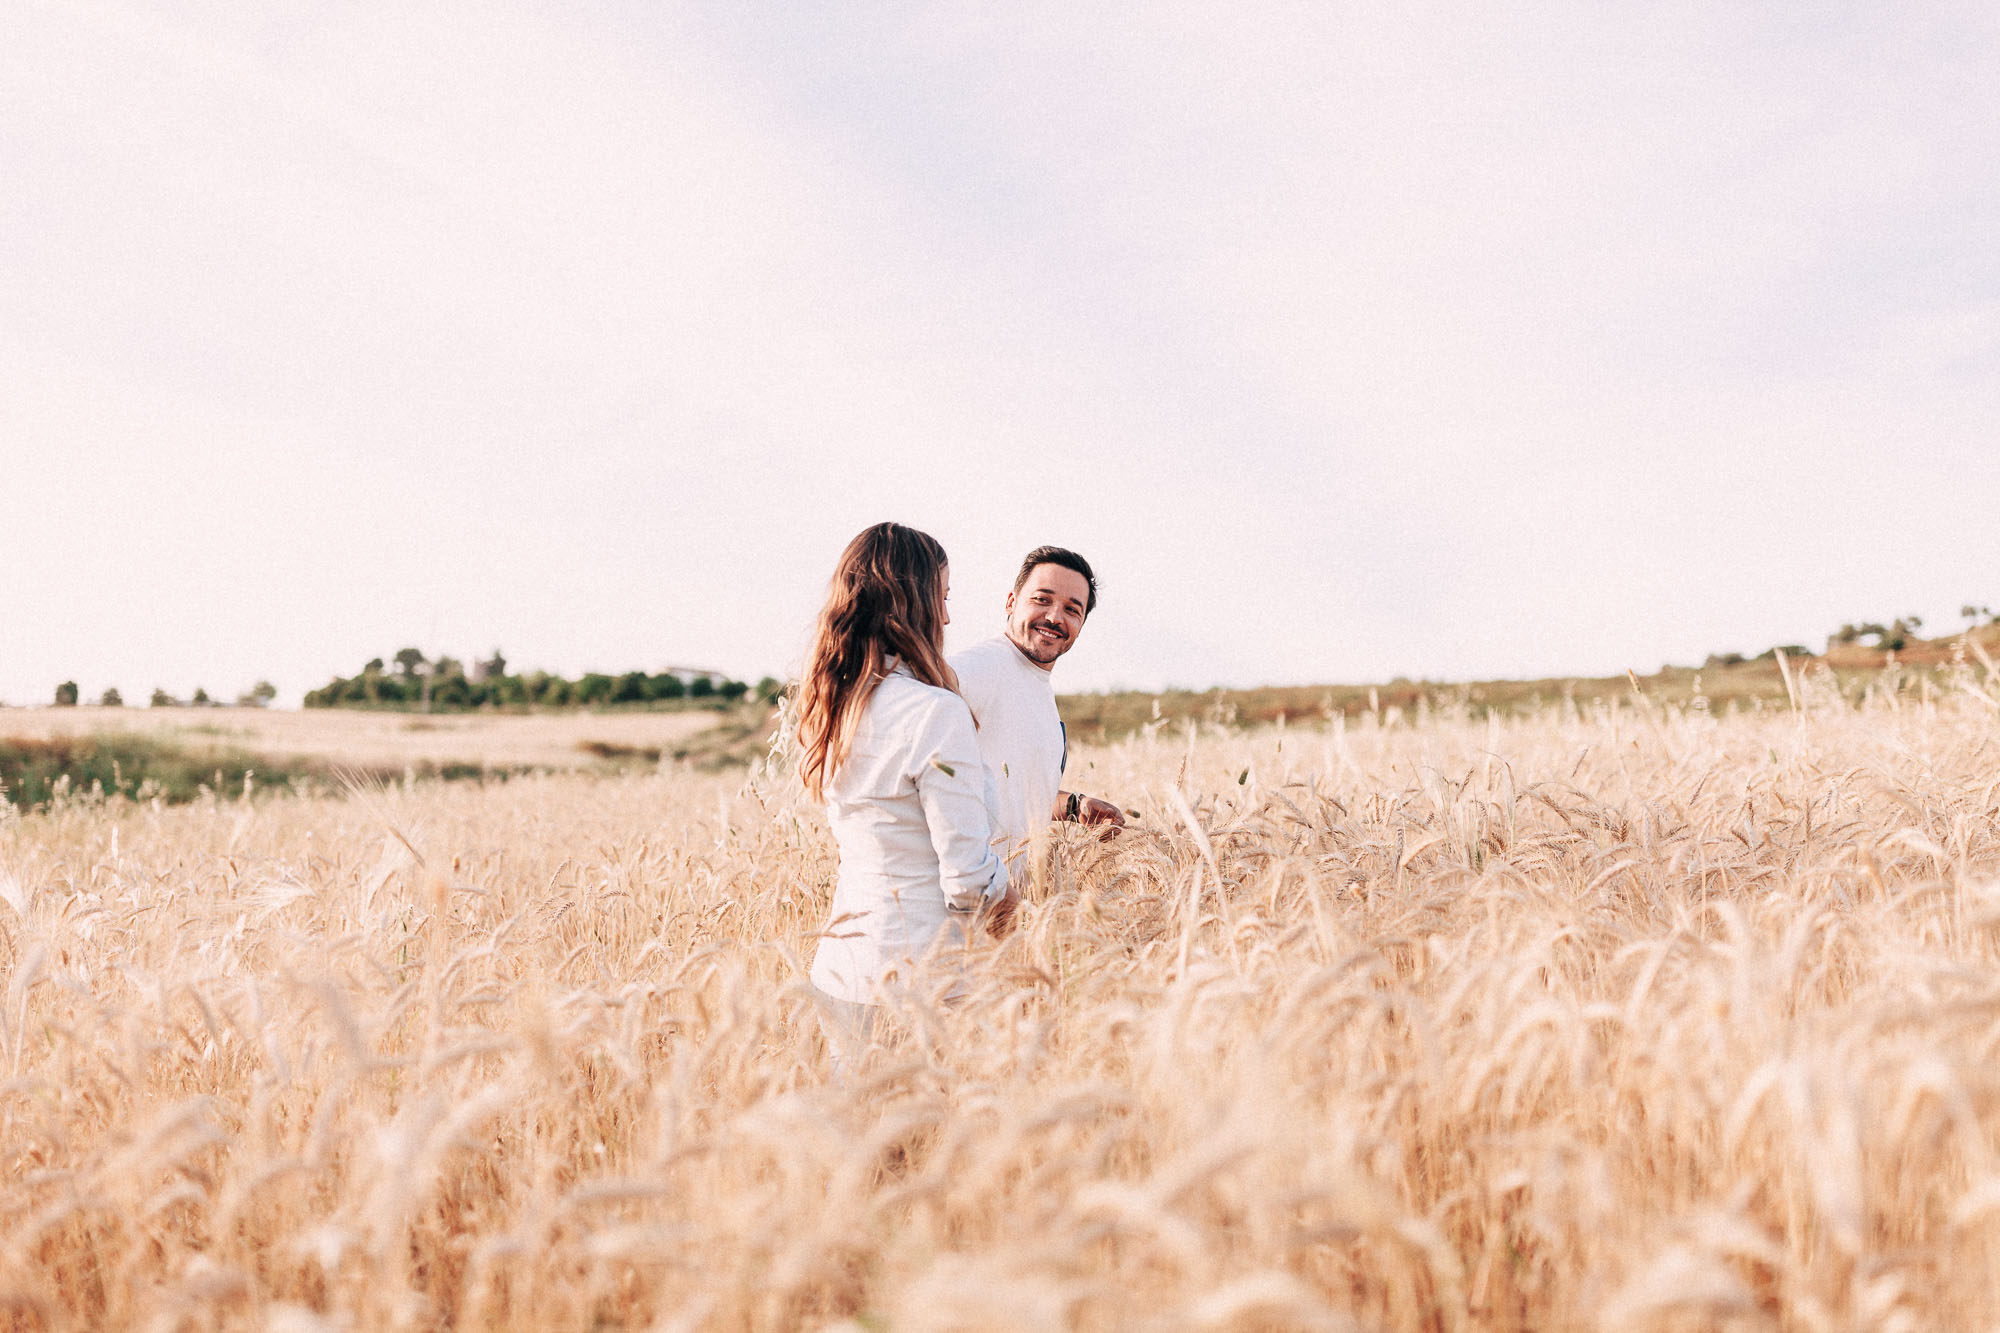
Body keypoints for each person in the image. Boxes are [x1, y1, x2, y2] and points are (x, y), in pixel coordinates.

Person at [799, 522, 1016, 1053]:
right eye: (941, 597)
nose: (946, 615)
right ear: (912, 602)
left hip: (842, 972)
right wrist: (1022, 921)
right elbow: (966, 879)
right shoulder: (934, 713)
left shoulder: (834, 708)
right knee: (931, 1137)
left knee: (857, 1134)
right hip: (923, 983)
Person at [950, 545, 1126, 881]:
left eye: (1072, 609)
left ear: (1081, 624)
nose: (1055, 617)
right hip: (963, 903)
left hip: (1009, 908)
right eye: (1042, 599)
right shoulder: (976, 669)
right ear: (1011, 602)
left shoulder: (1040, 691)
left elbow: (1013, 793)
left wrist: (1075, 806)